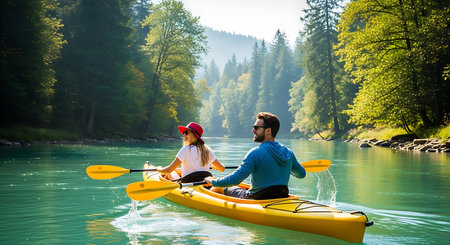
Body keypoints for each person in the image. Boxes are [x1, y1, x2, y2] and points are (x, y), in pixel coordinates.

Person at [204, 112, 306, 199]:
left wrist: (214, 182)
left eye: (256, 128)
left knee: (220, 188)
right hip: (281, 196)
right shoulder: (289, 153)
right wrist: (288, 167)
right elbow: (301, 174)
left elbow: (235, 180)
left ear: (268, 131)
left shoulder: (255, 153)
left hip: (257, 197)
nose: (253, 130)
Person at [156, 122, 225, 183]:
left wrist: (158, 169)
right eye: (183, 133)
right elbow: (222, 169)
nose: (184, 135)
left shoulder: (185, 150)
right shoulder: (207, 150)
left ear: (194, 135)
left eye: (186, 133)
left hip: (187, 183)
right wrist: (216, 167)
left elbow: (169, 170)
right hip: (204, 182)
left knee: (171, 172)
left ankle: (166, 189)